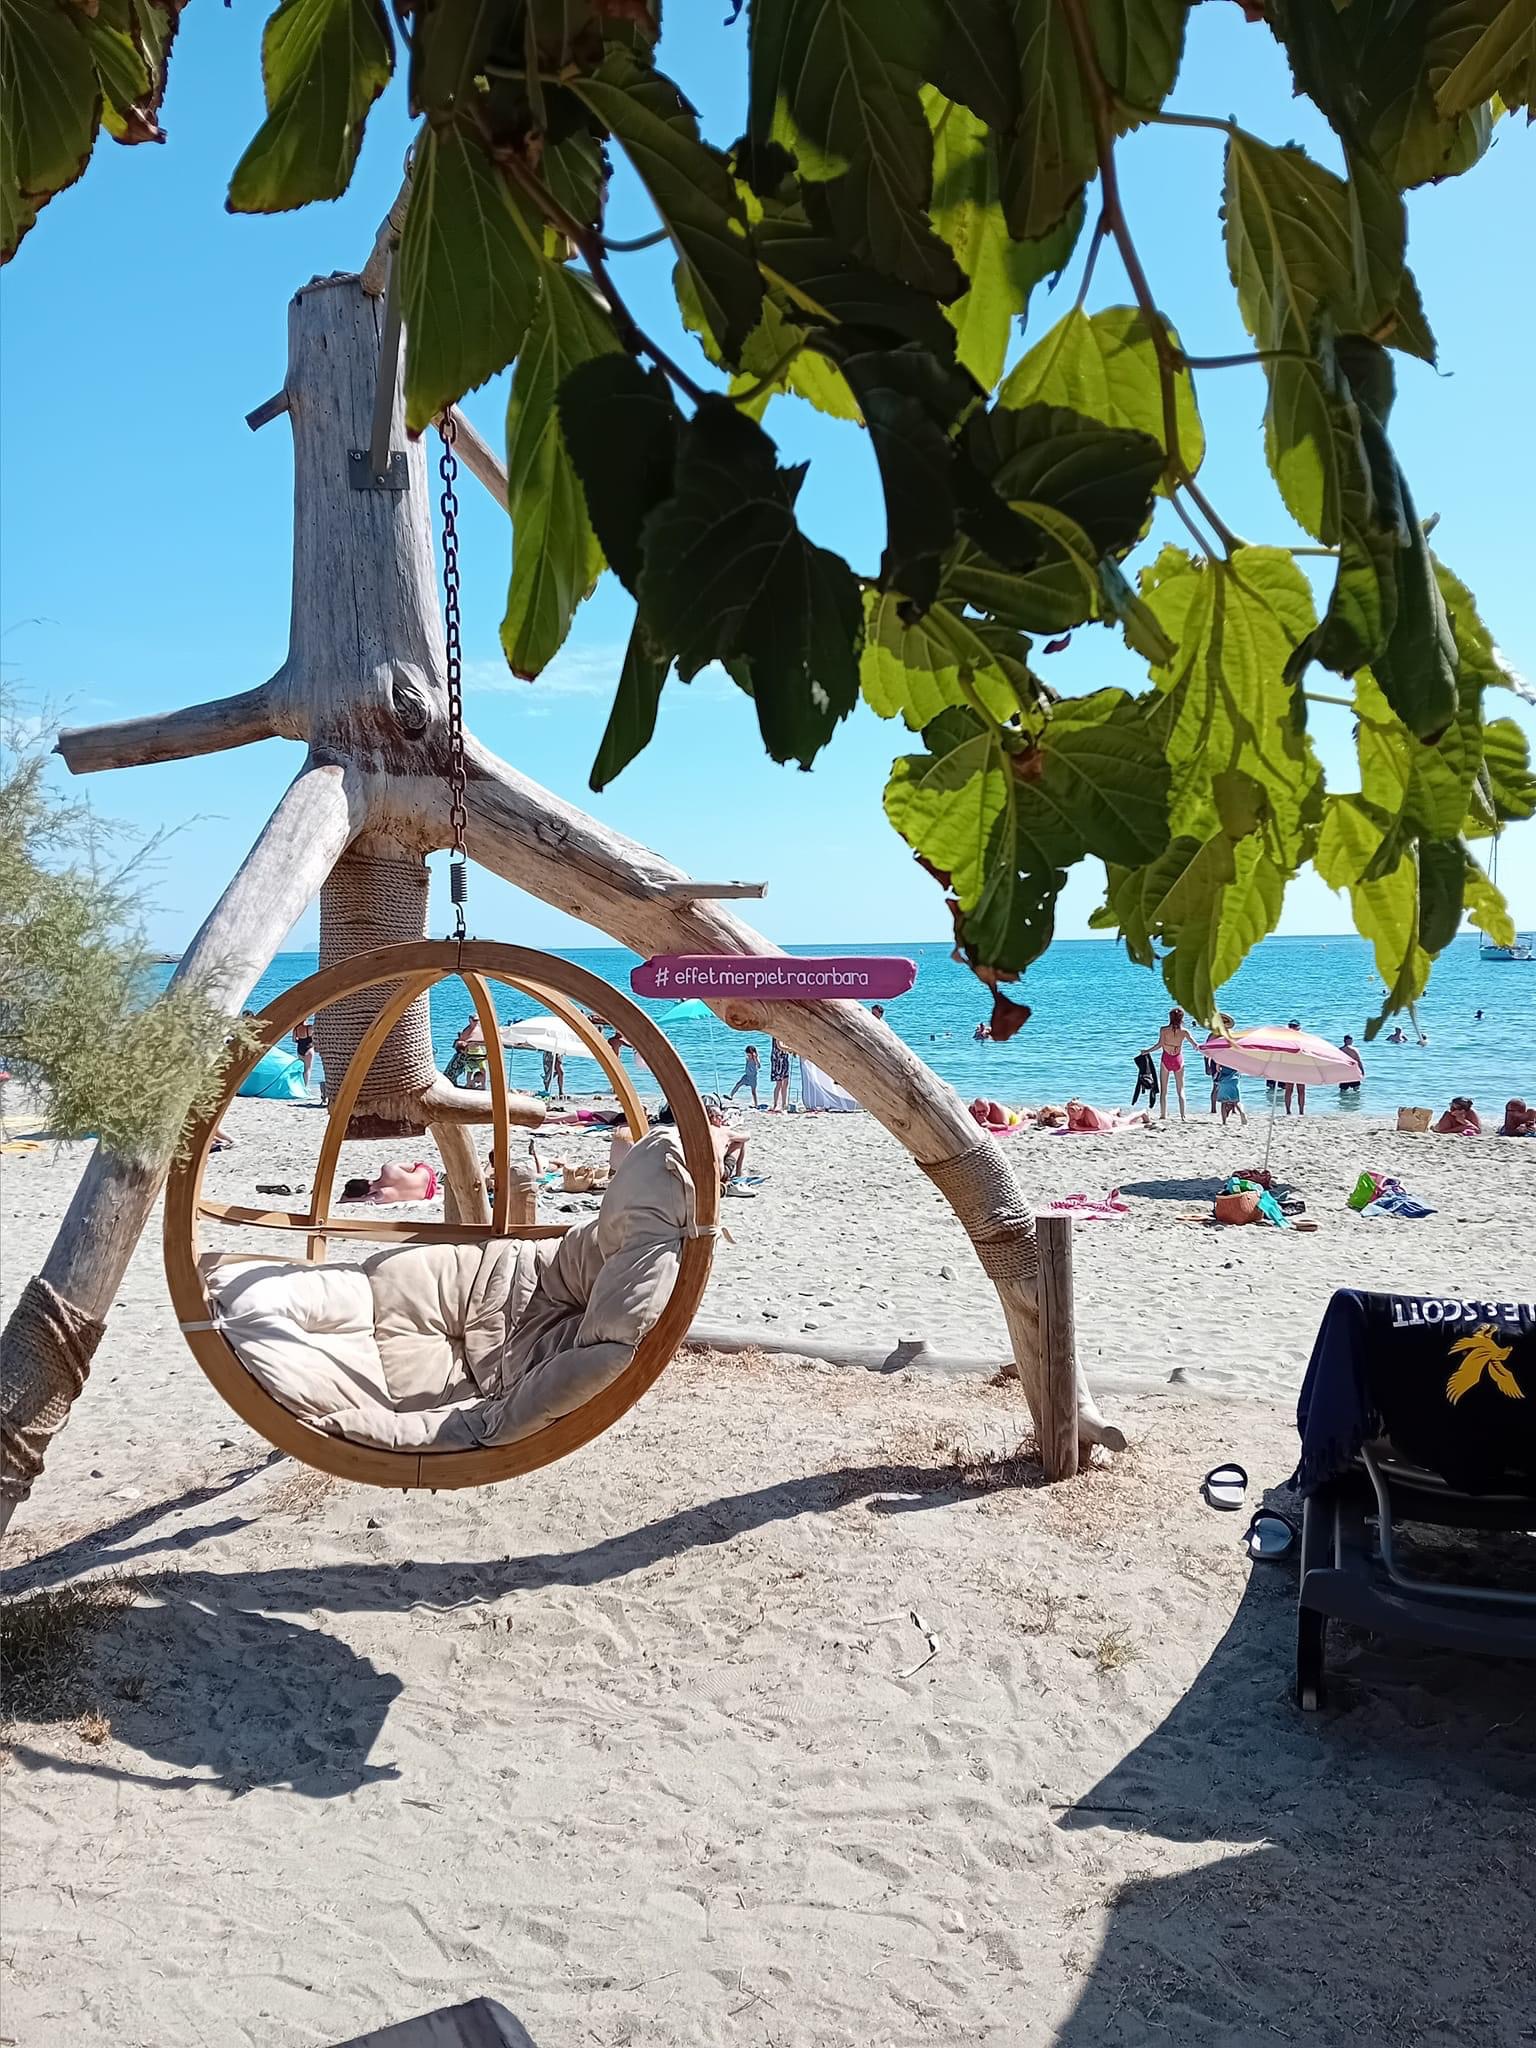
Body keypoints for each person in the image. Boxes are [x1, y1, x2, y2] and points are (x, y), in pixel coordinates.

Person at [1155, 1007, 1199, 1121]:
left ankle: (1163, 1115)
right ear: (1181, 1018)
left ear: (1170, 1017)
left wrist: (1147, 1051)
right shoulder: (1184, 1032)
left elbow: (1159, 1045)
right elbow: (1195, 1045)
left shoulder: (1163, 1030)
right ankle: (1183, 1116)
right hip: (1178, 1060)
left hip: (1166, 1059)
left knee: (1163, 1091)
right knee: (1181, 1090)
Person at [340, 1161, 440, 1203]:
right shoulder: (388, 1169)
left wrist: (347, 1198)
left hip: (427, 1193)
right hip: (428, 1175)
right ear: (366, 1180)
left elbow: (363, 1199)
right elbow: (414, 1166)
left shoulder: (382, 1195)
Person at [706, 1103, 749, 1183]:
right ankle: (738, 1173)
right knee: (739, 1142)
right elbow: (746, 1138)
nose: (722, 1119)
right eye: (721, 1116)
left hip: (698, 1172)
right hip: (719, 1176)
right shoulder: (723, 1131)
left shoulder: (698, 1131)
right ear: (714, 1118)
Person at [1281, 1020, 1307, 1116]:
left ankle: (1293, 1111)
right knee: (1297, 1090)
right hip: (1297, 1066)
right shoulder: (1300, 1039)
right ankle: (1298, 1111)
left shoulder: (1286, 1039)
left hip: (1292, 1066)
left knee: (1292, 1090)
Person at [1129, 1045, 1159, 1111]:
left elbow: (1137, 1089)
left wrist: (1134, 1101)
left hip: (1145, 1074)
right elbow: (1137, 1089)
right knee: (1152, 1085)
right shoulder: (1146, 1077)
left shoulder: (1143, 1077)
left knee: (1144, 1062)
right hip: (1146, 1075)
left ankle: (1145, 1054)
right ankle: (1145, 1054)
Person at [293, 1014, 316, 1089]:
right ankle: (305, 1087)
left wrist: (300, 1040)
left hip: (300, 1049)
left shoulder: (295, 1029)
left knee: (302, 1068)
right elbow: (316, 1035)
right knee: (308, 1069)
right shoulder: (309, 1028)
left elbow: (293, 1040)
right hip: (308, 1049)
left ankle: (300, 1084)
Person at [769, 1037, 791, 1113]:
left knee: (786, 1082)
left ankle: (784, 1104)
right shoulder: (777, 1035)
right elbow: (779, 1046)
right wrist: (791, 1049)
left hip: (784, 1058)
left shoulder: (784, 1035)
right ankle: (775, 1104)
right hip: (777, 1060)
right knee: (779, 1083)